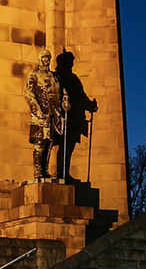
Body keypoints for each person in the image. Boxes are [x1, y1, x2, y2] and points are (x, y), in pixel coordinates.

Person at [55, 50, 98, 182]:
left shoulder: (73, 78)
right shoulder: (56, 77)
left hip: (74, 118)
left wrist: (90, 105)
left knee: (68, 147)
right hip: (61, 117)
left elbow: (81, 96)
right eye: (70, 62)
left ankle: (64, 173)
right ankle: (59, 173)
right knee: (61, 146)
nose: (72, 64)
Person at [24, 48, 64, 180]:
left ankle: (45, 169)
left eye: (48, 58)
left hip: (54, 114)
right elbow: (29, 93)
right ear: (40, 59)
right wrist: (38, 111)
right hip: (40, 114)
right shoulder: (34, 74)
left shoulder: (55, 77)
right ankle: (37, 170)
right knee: (40, 141)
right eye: (44, 57)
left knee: (50, 142)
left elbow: (62, 92)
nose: (47, 60)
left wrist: (66, 100)